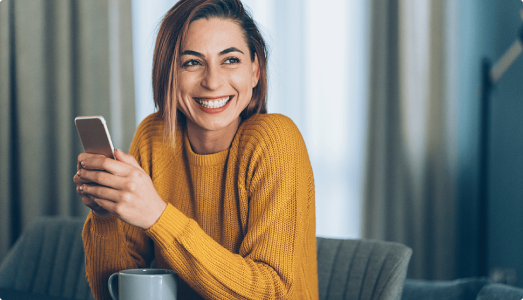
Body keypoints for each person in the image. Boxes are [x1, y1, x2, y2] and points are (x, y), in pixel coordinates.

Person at [73, 0, 318, 299]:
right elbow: (113, 290)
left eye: (230, 60)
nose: (213, 82)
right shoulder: (155, 136)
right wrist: (105, 214)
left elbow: (271, 291)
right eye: (192, 62)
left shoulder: (276, 140)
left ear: (255, 70)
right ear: (170, 75)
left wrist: (158, 217)